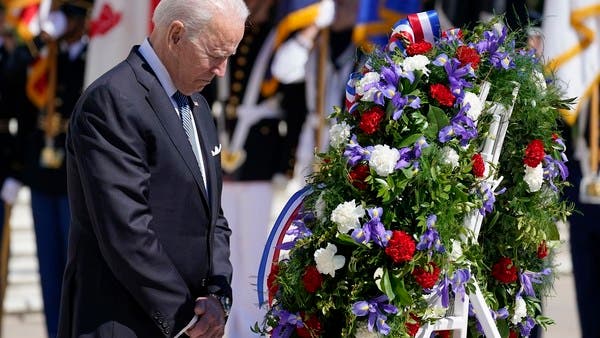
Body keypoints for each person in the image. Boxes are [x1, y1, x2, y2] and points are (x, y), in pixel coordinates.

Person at [57, 0, 248, 337]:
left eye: (228, 57)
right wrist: (187, 317)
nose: (221, 69)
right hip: (125, 321)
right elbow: (127, 230)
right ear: (176, 35)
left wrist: (219, 296)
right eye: (215, 54)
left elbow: (212, 216)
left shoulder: (197, 105)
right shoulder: (112, 101)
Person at [200, 0, 307, 335]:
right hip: (227, 150)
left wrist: (284, 165)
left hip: (262, 159)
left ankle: (257, 329)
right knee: (226, 255)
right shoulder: (233, 37)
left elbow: (296, 110)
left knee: (257, 257)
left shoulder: (280, 39)